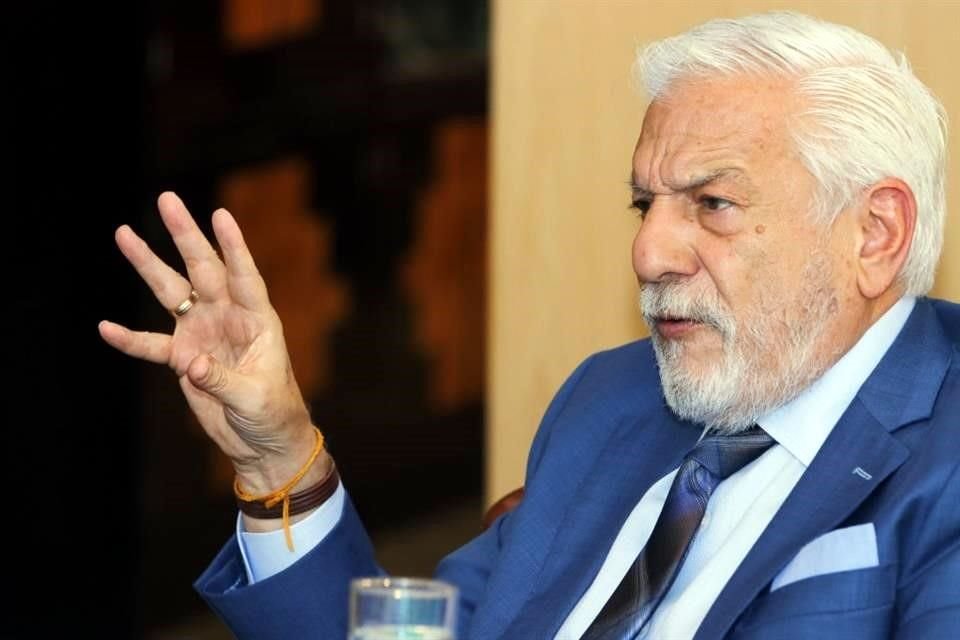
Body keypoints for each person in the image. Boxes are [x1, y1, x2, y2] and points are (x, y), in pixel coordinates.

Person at [100, 11, 960, 640]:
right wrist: (279, 458)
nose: (649, 252)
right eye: (646, 205)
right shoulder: (615, 401)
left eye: (712, 203)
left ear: (874, 234)